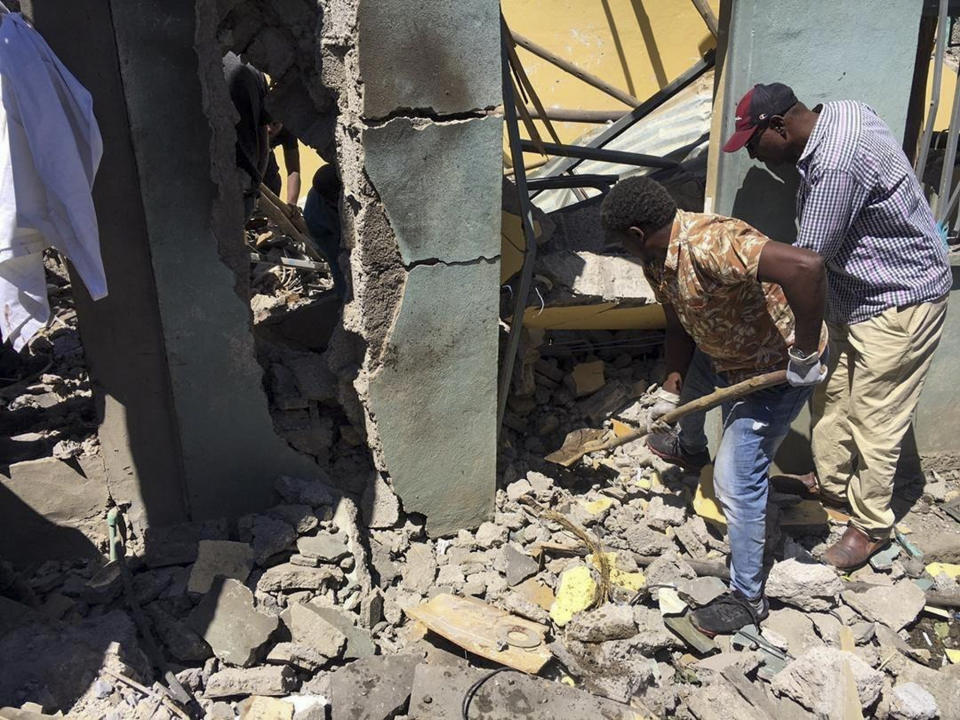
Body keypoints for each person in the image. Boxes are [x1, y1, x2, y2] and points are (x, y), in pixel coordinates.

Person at [723, 83, 952, 569]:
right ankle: (832, 486)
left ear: (780, 127)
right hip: (857, 295)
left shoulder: (834, 164)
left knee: (876, 418)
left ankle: (869, 526)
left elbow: (807, 262)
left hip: (899, 300)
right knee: (833, 399)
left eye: (753, 145)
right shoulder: (843, 112)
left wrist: (785, 341)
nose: (754, 158)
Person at [601, 176, 828, 636]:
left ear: (635, 235)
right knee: (688, 398)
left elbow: (807, 267)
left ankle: (748, 599)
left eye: (620, 245)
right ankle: (688, 448)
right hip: (721, 354)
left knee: (736, 481)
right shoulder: (657, 260)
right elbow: (679, 322)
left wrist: (804, 352)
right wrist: (671, 385)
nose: (623, 251)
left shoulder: (712, 242)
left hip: (774, 370)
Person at [222, 51, 270, 218]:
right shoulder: (252, 69)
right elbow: (263, 143)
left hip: (203, 194)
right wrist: (255, 185)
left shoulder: (186, 67)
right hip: (243, 190)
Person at [303, 164, 346, 298]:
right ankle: (345, 296)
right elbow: (343, 236)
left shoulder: (338, 183)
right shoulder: (319, 211)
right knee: (338, 259)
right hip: (321, 230)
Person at [264, 120, 301, 206]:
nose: (269, 129)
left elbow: (293, 170)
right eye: (266, 123)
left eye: (274, 124)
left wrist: (292, 204)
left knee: (272, 176)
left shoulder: (288, 130)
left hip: (266, 157)